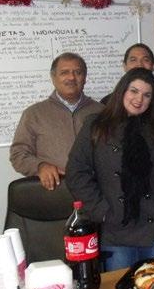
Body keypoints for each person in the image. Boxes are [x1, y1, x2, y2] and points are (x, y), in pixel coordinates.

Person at [66, 68, 154, 271]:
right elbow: (76, 172)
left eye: (147, 95)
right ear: (122, 91)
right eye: (134, 91)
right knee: (119, 287)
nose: (139, 99)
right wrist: (101, 211)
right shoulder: (97, 126)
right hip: (116, 225)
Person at [10, 52, 103, 191]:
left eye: (78, 72)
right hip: (54, 192)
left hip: (96, 190)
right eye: (64, 72)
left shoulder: (102, 112)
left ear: (84, 78)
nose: (71, 77)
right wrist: (39, 166)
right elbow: (18, 154)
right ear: (53, 78)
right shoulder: (34, 114)